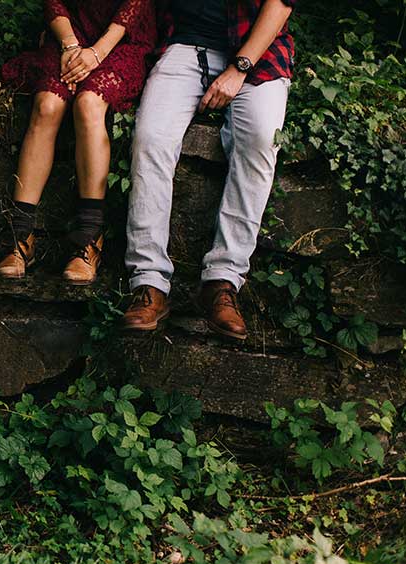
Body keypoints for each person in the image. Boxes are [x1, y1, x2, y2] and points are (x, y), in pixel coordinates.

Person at [121, 0, 296, 340]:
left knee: (260, 140)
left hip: (258, 51)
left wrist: (239, 68)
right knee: (150, 138)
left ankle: (223, 281)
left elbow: (279, 7)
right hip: (187, 45)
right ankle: (148, 282)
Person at [0, 0, 157, 284]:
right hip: (69, 35)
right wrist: (70, 46)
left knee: (88, 104)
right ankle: (20, 236)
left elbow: (135, 7)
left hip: (121, 40)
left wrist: (96, 54)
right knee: (47, 104)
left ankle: (89, 239)